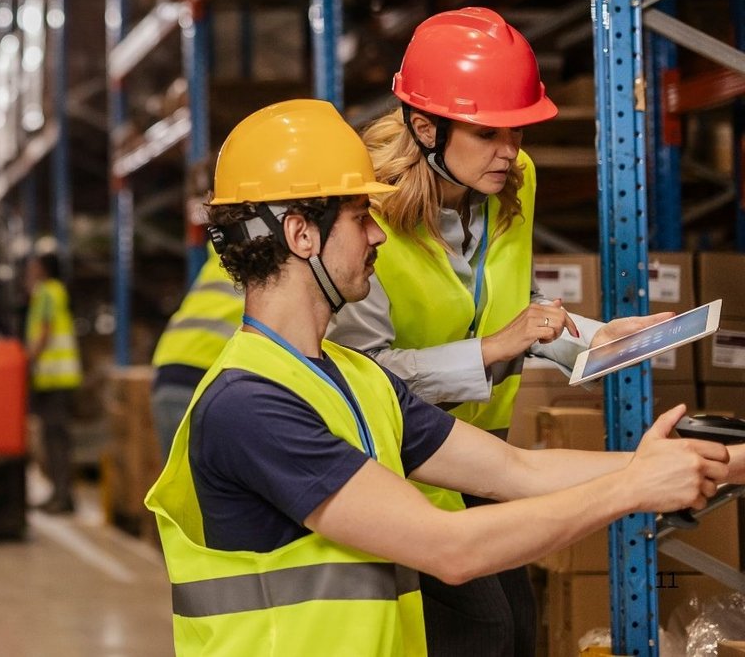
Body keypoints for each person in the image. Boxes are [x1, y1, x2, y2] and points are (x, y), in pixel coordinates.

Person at [145, 98, 732, 657]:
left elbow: (516, 470)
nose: (378, 234)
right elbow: (450, 546)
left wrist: (709, 460)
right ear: (301, 235)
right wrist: (633, 489)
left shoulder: (356, 378)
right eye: (358, 219)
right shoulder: (249, 404)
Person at [329, 7, 667, 655]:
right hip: (400, 462)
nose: (509, 152)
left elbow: (510, 305)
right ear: (425, 127)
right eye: (488, 132)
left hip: (485, 451)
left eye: (517, 131)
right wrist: (488, 350)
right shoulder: (365, 211)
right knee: (485, 631)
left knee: (518, 628)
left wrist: (589, 337)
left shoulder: (513, 178)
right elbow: (357, 376)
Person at [149, 244, 241, 459]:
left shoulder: (219, 261)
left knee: (183, 479)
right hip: (201, 377)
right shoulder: (265, 271)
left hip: (168, 369)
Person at [24, 252, 79, 514]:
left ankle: (63, 496)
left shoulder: (46, 292)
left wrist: (25, 360)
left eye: (34, 266)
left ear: (44, 269)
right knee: (55, 439)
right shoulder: (57, 291)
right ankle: (59, 493)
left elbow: (44, 332)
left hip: (54, 378)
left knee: (56, 440)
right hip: (59, 378)